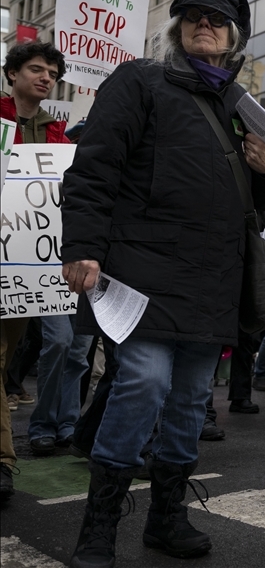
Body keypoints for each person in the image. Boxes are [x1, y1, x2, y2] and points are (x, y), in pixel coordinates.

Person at [61, 0, 265, 568]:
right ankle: (98, 527)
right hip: (142, 270)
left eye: (216, 19)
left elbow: (255, 202)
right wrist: (82, 246)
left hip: (212, 277)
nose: (203, 24)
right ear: (176, 29)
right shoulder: (138, 80)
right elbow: (94, 167)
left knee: (189, 400)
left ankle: (166, 517)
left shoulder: (237, 104)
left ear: (234, 36)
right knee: (144, 384)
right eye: (192, 16)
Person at [0, 41, 68, 500]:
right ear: (12, 74)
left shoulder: (59, 138)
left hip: (28, 269)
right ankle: (4, 461)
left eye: (52, 73)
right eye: (37, 69)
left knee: (9, 355)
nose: (46, 78)